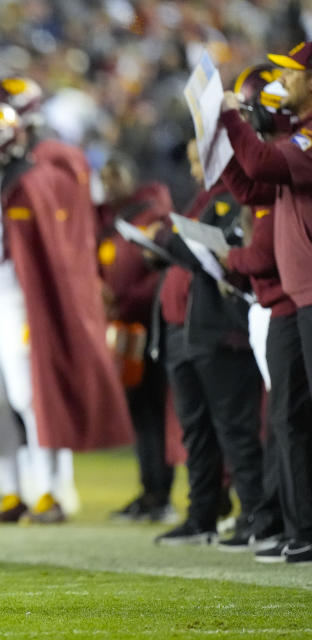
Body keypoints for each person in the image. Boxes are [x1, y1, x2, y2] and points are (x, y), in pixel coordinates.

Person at [0, 103, 132, 524]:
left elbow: (56, 252)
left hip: (17, 301)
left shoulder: (31, 182)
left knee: (30, 396)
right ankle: (13, 491)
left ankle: (52, 490)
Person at [217, 42, 312, 564]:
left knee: (296, 417)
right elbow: (253, 186)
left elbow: (260, 161)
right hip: (296, 298)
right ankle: (301, 527)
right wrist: (222, 142)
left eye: (293, 76)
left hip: (304, 295)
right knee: (289, 418)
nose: (283, 85)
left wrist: (231, 122)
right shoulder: (296, 138)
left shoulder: (308, 137)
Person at [149, 141, 265, 547]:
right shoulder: (206, 198)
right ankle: (203, 516)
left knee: (235, 428)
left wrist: (170, 239)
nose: (197, 170)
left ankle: (258, 515)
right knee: (196, 430)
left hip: (221, 328)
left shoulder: (237, 196)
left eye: (203, 161)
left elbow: (221, 252)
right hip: (186, 329)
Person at [96, 155, 179, 523]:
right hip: (126, 327)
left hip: (149, 325)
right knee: (140, 410)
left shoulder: (150, 213)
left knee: (155, 409)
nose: (110, 186)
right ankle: (149, 490)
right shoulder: (111, 218)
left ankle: (161, 493)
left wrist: (124, 300)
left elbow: (157, 271)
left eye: (116, 179)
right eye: (106, 179)